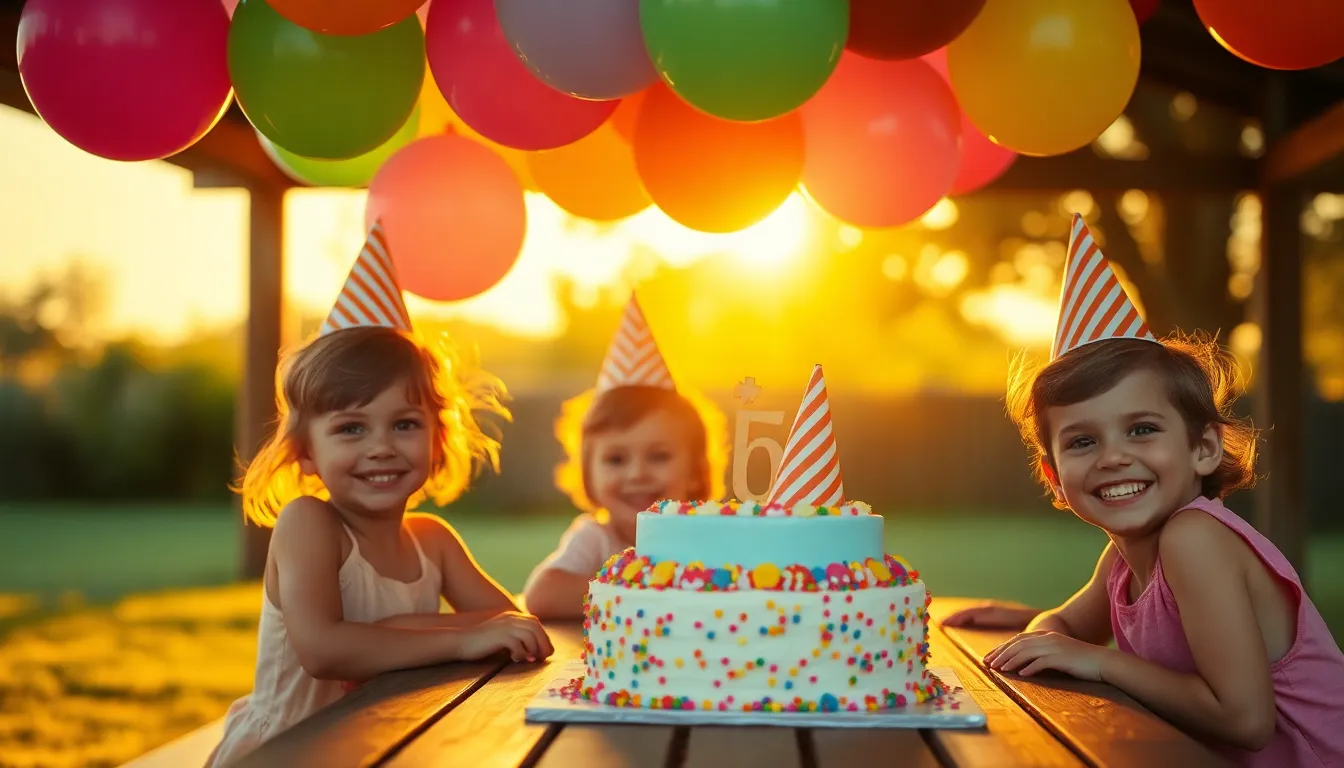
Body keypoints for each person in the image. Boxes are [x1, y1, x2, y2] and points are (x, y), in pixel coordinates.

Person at [944, 213, 1344, 766]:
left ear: (1204, 448)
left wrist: (1099, 660)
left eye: (1142, 429)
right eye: (1082, 441)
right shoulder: (1123, 561)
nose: (1113, 456)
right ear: (1054, 478)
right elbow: (1063, 627)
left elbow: (1246, 720)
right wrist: (1036, 629)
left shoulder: (1194, 538)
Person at [206, 222, 553, 767]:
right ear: (305, 450)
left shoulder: (432, 541)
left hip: (381, 744)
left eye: (404, 424)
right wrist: (460, 637)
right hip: (286, 752)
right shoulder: (309, 525)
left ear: (439, 438)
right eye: (351, 428)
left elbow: (512, 626)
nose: (381, 447)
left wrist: (400, 631)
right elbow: (325, 650)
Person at [522, 294, 727, 618]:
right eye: (616, 460)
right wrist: (648, 587)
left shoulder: (710, 535)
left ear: (695, 471)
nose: (636, 474)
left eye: (659, 456)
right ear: (588, 472)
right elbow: (542, 595)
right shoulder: (596, 538)